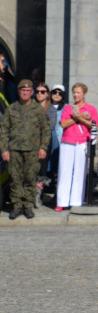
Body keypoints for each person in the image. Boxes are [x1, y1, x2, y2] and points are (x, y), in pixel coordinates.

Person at [0, 79, 50, 219]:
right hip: (14, 150)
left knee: (29, 178)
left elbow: (45, 130)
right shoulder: (12, 109)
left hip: (32, 150)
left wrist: (43, 147)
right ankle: (16, 206)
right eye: (23, 90)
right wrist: (4, 149)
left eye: (28, 91)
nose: (25, 93)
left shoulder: (38, 109)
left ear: (32, 92)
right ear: (19, 92)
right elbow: (4, 131)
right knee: (15, 179)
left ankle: (28, 205)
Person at [56, 83, 98, 210]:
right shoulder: (68, 108)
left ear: (84, 94)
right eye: (74, 92)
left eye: (78, 92)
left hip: (82, 142)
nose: (75, 95)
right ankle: (62, 201)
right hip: (67, 141)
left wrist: (81, 118)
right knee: (64, 171)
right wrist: (77, 118)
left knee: (79, 172)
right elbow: (63, 124)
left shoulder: (91, 109)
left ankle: (76, 201)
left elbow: (94, 126)